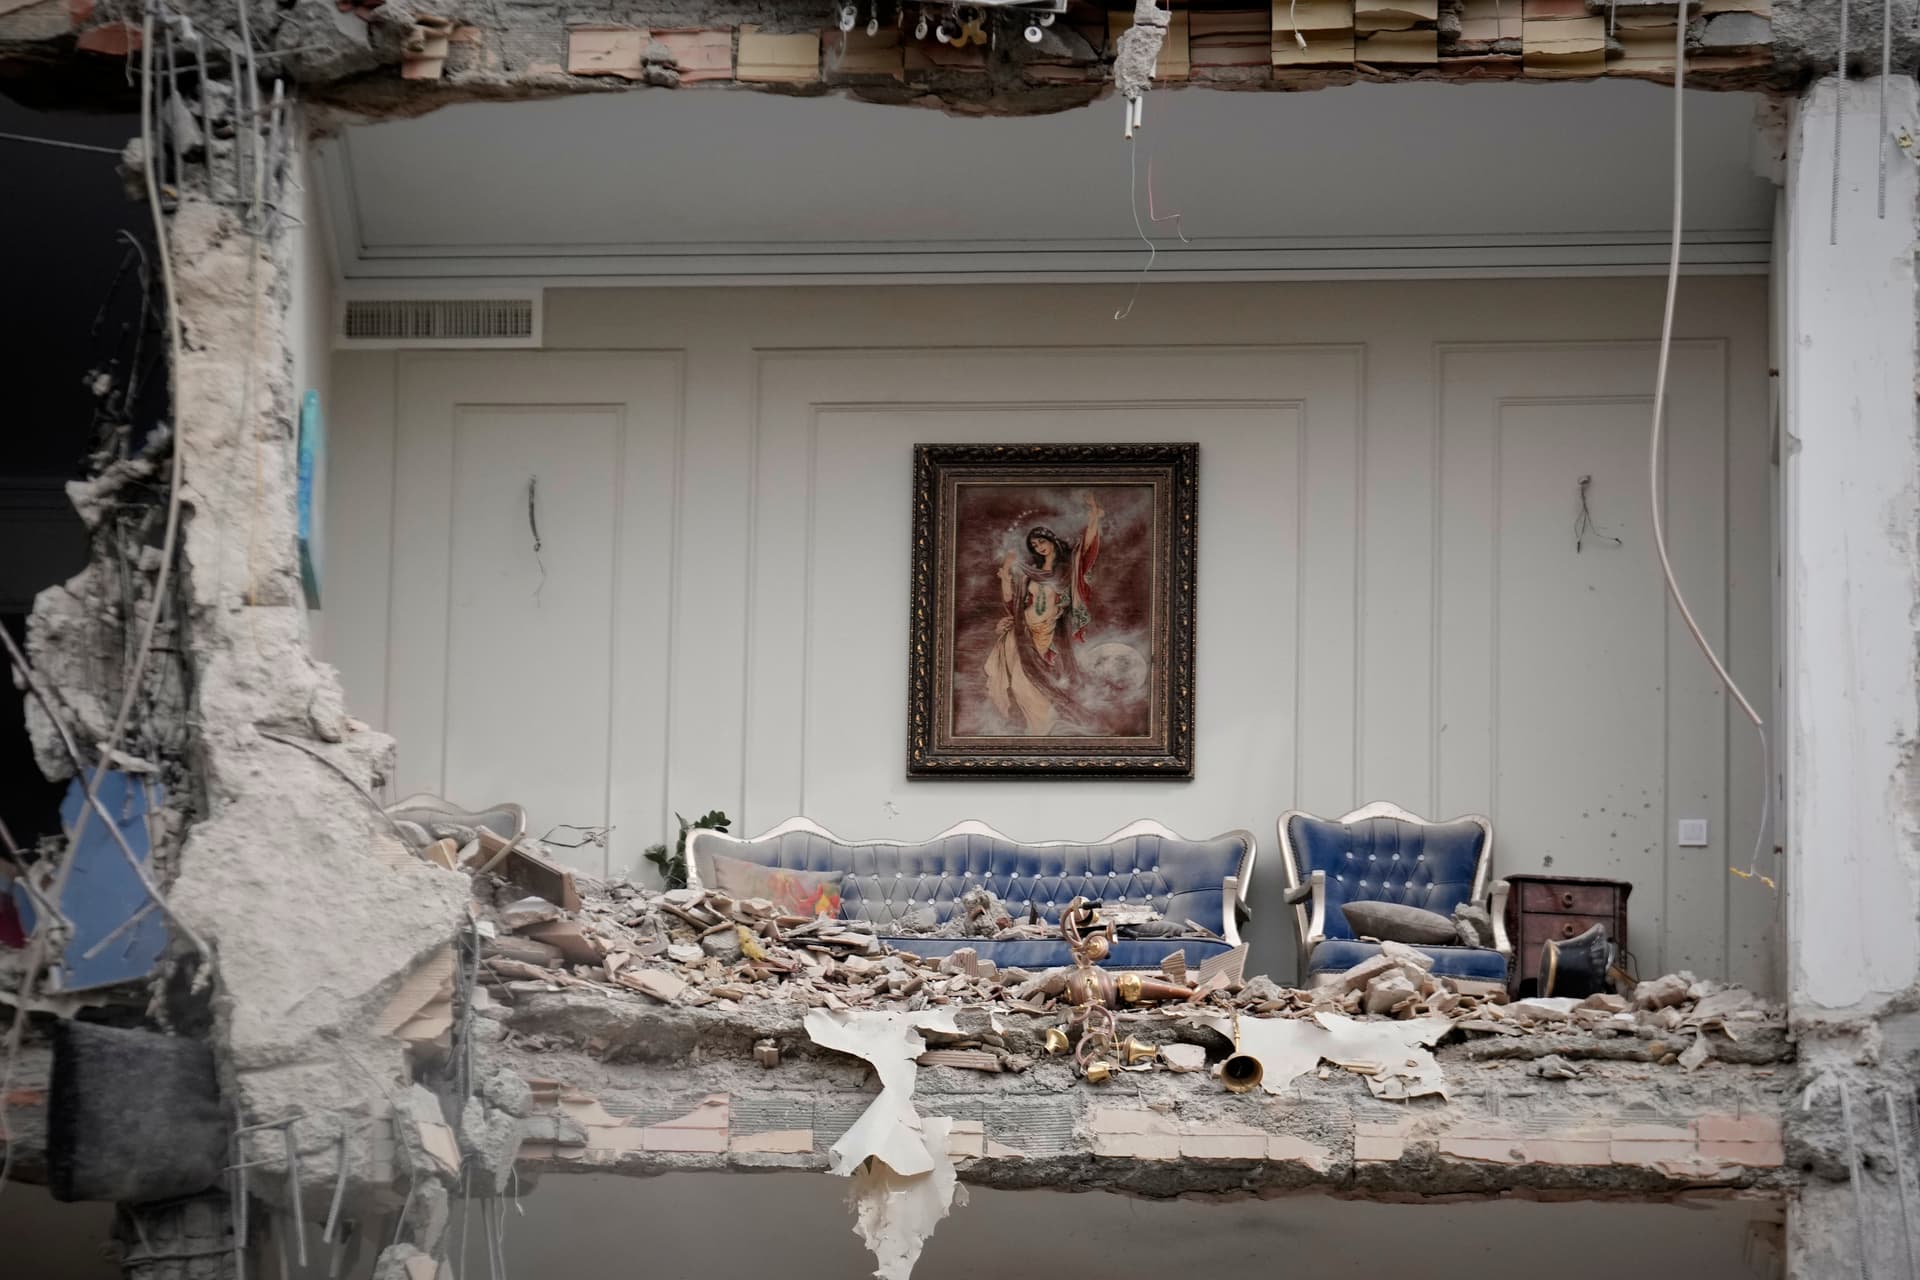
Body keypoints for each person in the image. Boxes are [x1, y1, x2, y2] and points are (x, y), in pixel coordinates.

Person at [983, 493, 1103, 735]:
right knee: (1018, 682)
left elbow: (1087, 550)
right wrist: (1006, 570)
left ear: (1050, 539)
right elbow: (1012, 601)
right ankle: (1036, 728)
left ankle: (1045, 727)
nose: (1039, 547)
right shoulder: (1029, 574)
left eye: (1041, 542)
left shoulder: (1066, 570)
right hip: (1022, 632)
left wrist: (1094, 516)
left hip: (1048, 635)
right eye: (1035, 546)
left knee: (1042, 681)